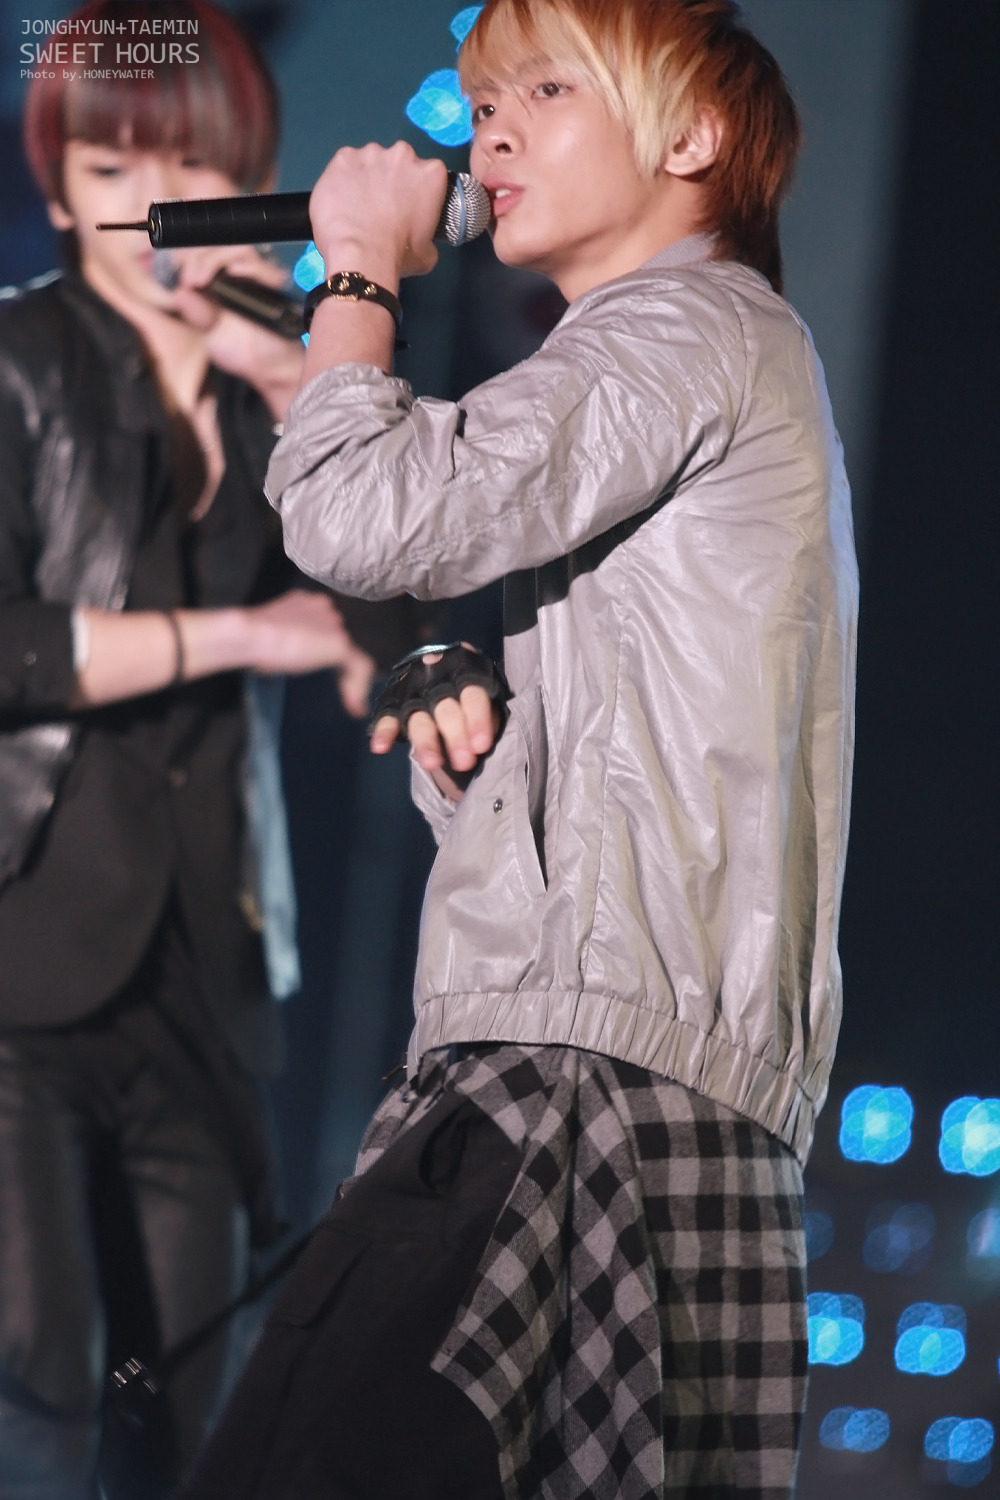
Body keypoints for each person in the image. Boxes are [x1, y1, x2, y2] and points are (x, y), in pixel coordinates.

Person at [179, 1, 860, 1497]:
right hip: (654, 1071)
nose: (489, 134)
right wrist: (481, 732)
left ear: (694, 139)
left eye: (545, 91)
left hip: (577, 1083)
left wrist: (355, 273)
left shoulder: (680, 327)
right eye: (483, 102)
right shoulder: (708, 358)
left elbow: (365, 514)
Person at [0, 3, 386, 1497]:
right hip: (23, 948)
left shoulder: (283, 381)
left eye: (189, 167)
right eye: (111, 167)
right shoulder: (20, 357)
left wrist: (292, 374)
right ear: (57, 186)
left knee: (194, 1415)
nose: (150, 204)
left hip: (206, 969)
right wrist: (239, 637)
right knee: (42, 1379)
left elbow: (395, 605)